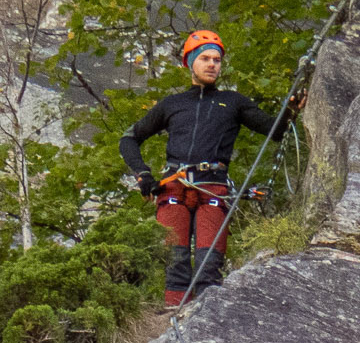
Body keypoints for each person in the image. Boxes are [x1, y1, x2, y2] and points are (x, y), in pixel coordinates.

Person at [119, 30, 304, 307]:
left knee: (209, 266)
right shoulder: (173, 104)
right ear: (189, 62)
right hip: (174, 186)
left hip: (213, 188)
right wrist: (143, 174)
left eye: (216, 60)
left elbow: (275, 131)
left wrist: (290, 110)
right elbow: (129, 139)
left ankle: (207, 322)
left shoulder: (233, 102)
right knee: (176, 264)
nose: (211, 65)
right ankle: (174, 322)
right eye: (204, 58)